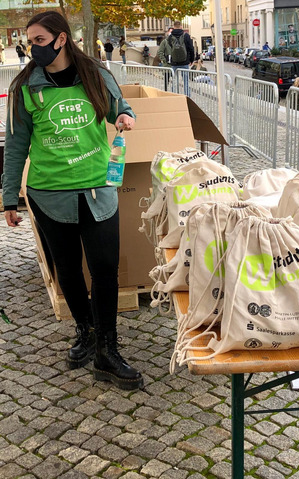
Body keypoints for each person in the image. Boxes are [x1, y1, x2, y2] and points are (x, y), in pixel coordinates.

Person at [2, 11, 143, 391]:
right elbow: (15, 145)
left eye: (40, 41)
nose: (33, 48)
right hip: (49, 194)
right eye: (30, 41)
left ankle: (108, 352)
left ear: (62, 39)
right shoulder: (25, 87)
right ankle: (87, 331)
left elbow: (120, 108)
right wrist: (9, 198)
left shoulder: (96, 74)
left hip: (99, 187)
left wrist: (126, 117)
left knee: (104, 269)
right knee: (66, 268)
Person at [168, 21, 194, 95]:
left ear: (174, 26)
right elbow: (191, 48)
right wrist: (191, 59)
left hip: (174, 62)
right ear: (181, 26)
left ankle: (174, 96)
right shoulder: (186, 35)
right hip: (185, 62)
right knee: (186, 81)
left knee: (174, 81)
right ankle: (187, 97)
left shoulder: (170, 37)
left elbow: (169, 49)